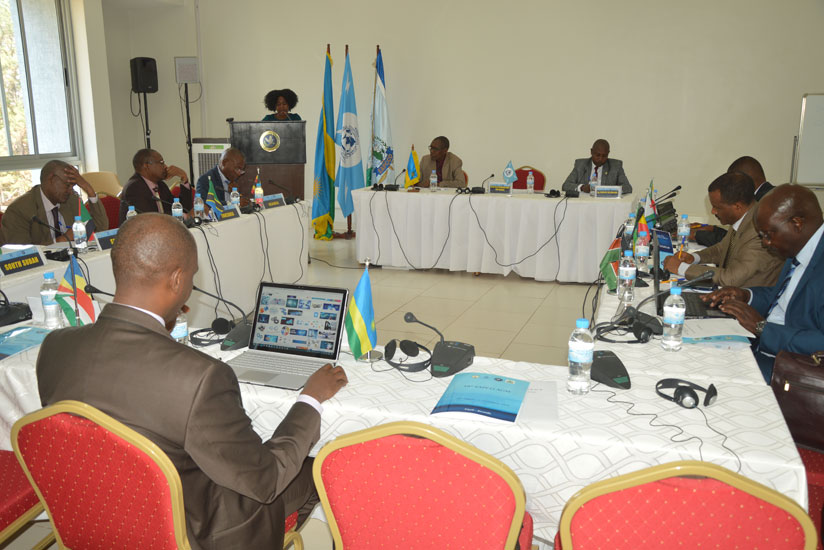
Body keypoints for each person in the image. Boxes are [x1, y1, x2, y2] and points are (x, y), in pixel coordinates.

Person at [36, 212, 348, 550]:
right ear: (175, 280)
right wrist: (310, 399)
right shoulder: (200, 377)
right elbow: (265, 479)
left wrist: (161, 327)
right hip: (195, 533)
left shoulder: (55, 347)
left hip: (97, 516)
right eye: (191, 277)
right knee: (318, 464)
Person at [702, 184, 824, 383]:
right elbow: (783, 298)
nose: (766, 243)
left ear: (797, 223)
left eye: (769, 234)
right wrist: (746, 295)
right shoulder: (799, 248)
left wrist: (762, 328)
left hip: (791, 371)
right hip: (763, 349)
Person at [663, 172, 783, 288]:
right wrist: (694, 258)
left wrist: (681, 268)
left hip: (747, 300)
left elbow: (731, 278)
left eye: (717, 207)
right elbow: (722, 249)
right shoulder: (745, 217)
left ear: (737, 206)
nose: (713, 211)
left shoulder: (759, 231)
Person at [2, 160, 108, 245]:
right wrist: (62, 240)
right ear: (51, 179)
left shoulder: (71, 199)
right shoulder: (19, 210)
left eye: (73, 186)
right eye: (67, 185)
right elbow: (22, 255)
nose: (71, 191)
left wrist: (88, 189)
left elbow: (101, 228)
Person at [694, 156, 775, 246]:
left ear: (745, 179)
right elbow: (738, 236)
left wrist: (697, 235)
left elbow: (739, 244)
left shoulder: (763, 203)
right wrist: (713, 229)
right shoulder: (771, 194)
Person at [119, 149, 194, 225]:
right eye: (161, 162)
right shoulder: (133, 188)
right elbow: (149, 218)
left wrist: (184, 178)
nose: (165, 166)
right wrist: (183, 216)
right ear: (146, 165)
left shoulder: (161, 185)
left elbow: (184, 209)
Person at [562, 139, 631, 195]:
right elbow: (566, 185)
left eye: (604, 156)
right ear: (591, 152)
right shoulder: (581, 165)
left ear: (608, 154)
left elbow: (627, 188)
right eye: (598, 155)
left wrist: (606, 190)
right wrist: (582, 187)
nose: (600, 159)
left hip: (606, 205)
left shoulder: (616, 166)